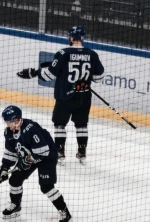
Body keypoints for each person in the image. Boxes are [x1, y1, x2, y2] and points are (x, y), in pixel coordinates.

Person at [17, 25, 105, 165]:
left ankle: (60, 152)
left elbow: (49, 75)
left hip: (65, 96)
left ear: (71, 38)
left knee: (59, 124)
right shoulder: (92, 54)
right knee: (82, 125)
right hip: (84, 97)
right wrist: (84, 79)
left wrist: (34, 72)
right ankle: (82, 153)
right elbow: (99, 78)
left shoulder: (63, 53)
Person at [0, 105, 74, 222]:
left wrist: (26, 162)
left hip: (47, 157)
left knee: (46, 187)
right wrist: (4, 168)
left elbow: (43, 152)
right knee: (14, 180)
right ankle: (16, 205)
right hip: (29, 157)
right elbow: (10, 152)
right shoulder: (8, 132)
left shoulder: (31, 129)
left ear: (16, 120)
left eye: (8, 121)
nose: (6, 124)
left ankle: (65, 212)